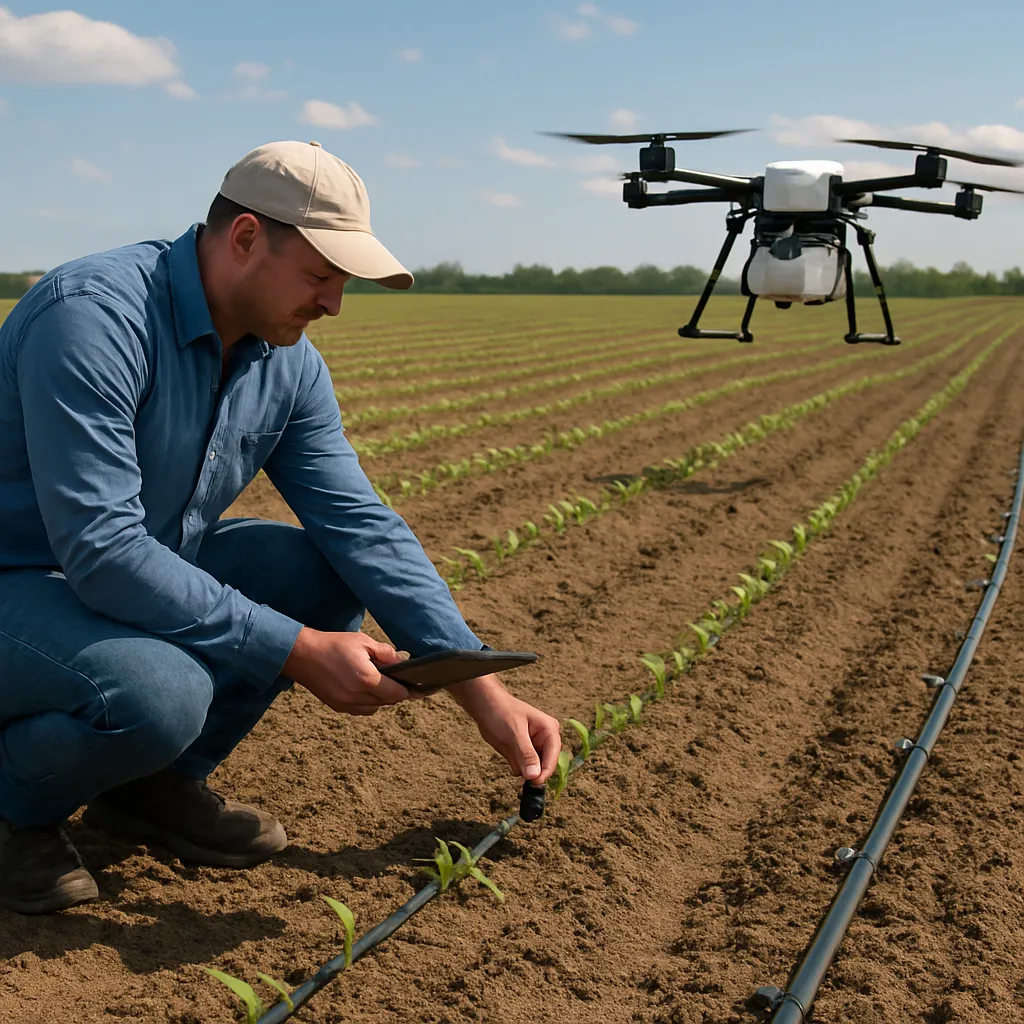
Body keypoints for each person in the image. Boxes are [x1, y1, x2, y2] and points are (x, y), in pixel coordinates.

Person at [0, 139, 562, 915]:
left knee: (325, 570)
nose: (333, 303)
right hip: (20, 580)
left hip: (116, 576)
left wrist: (479, 687)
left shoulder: (286, 363)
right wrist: (296, 650)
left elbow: (359, 524)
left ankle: (150, 790)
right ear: (244, 239)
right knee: (160, 692)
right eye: (321, 275)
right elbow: (101, 549)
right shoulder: (94, 317)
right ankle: (13, 816)